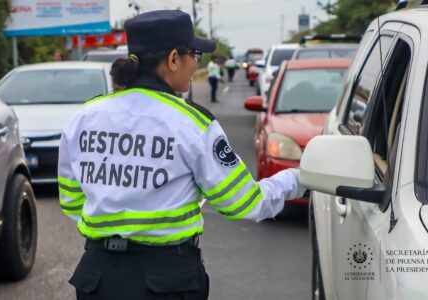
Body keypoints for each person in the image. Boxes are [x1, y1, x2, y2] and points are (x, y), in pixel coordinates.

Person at [58, 9, 304, 300]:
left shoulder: (85, 116)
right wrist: (297, 179)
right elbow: (243, 202)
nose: (195, 64)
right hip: (166, 282)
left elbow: (72, 200)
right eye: (195, 56)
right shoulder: (192, 123)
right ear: (174, 59)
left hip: (96, 279)